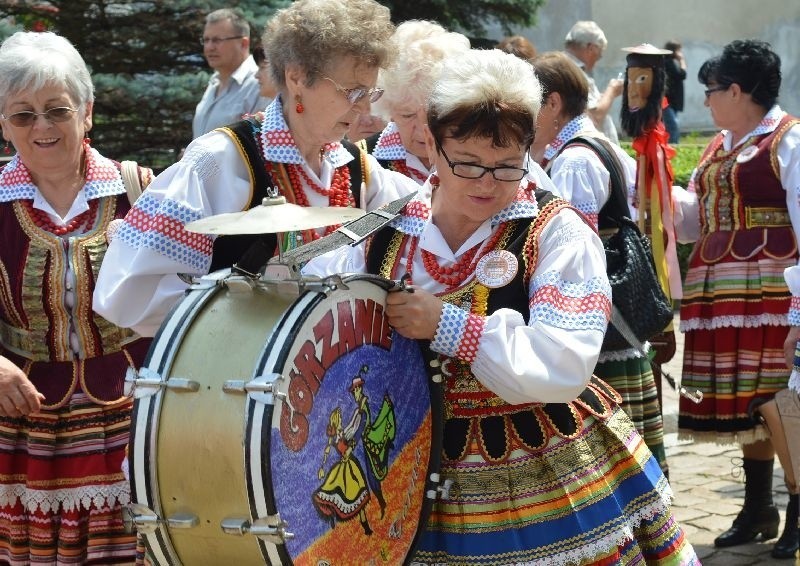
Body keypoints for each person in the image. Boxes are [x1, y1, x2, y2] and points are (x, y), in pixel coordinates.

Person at [303, 48, 698, 565]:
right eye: (466, 164)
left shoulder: (555, 233)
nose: (487, 183)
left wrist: (449, 326)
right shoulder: (383, 226)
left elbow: (565, 361)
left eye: (508, 166)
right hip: (405, 460)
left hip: (533, 456)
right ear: (431, 143)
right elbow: (305, 293)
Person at [93, 0, 418, 338]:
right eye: (352, 91)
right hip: (236, 377)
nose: (365, 108)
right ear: (297, 77)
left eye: (370, 92)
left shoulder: (355, 167)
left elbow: (422, 219)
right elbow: (130, 295)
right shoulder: (220, 160)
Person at [0, 31, 153, 564]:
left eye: (56, 110)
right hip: (23, 425)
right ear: (3, 125)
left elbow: (193, 297)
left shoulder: (141, 191)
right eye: (22, 115)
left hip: (131, 414)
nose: (41, 126)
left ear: (86, 112)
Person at [672, 39, 800, 559]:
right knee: (749, 405)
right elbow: (694, 221)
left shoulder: (788, 142)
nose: (705, 102)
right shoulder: (718, 145)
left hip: (773, 290)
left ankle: (797, 510)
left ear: (735, 90)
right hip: (723, 292)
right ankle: (756, 508)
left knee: (783, 402)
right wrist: (654, 182)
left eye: (711, 91)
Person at [530, 51, 669, 474]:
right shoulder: (597, 143)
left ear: (552, 103)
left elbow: (573, 250)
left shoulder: (573, 160)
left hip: (600, 323)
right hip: (613, 315)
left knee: (613, 452)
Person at [367, 20, 470, 185]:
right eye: (407, 115)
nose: (423, 132)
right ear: (389, 110)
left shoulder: (480, 155)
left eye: (434, 116)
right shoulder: (363, 160)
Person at [192, 8, 269, 139]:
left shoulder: (259, 83)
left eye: (217, 40)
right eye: (206, 40)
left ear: (243, 43)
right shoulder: (214, 82)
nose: (210, 47)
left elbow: (261, 147)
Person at [563, 20, 623, 145]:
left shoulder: (563, 68)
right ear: (591, 48)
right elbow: (594, 117)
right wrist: (611, 91)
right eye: (599, 55)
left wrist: (601, 99)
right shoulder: (572, 72)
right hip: (590, 149)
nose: (597, 60)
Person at [663, 40, 687, 144]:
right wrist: (682, 60)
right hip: (667, 101)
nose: (680, 53)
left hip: (671, 101)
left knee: (669, 125)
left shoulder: (668, 62)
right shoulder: (668, 62)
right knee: (673, 125)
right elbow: (682, 74)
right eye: (679, 50)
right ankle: (674, 146)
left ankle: (669, 146)